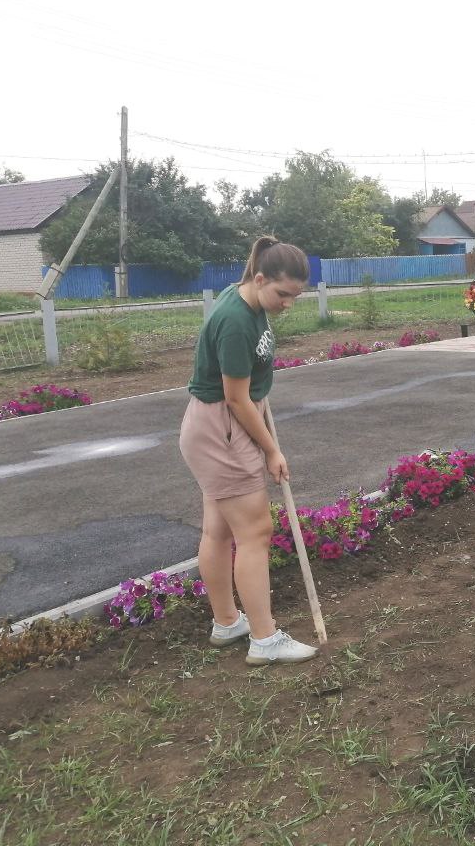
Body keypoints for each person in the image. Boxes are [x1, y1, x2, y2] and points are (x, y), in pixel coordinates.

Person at [179, 235, 319, 665]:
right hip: (224, 428)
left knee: (219, 531)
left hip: (218, 425)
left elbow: (246, 390)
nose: (288, 304)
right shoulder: (236, 320)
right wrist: (272, 450)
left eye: (295, 297)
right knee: (255, 532)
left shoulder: (245, 298)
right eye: (282, 294)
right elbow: (236, 398)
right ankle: (264, 639)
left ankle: (228, 622)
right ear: (259, 279)